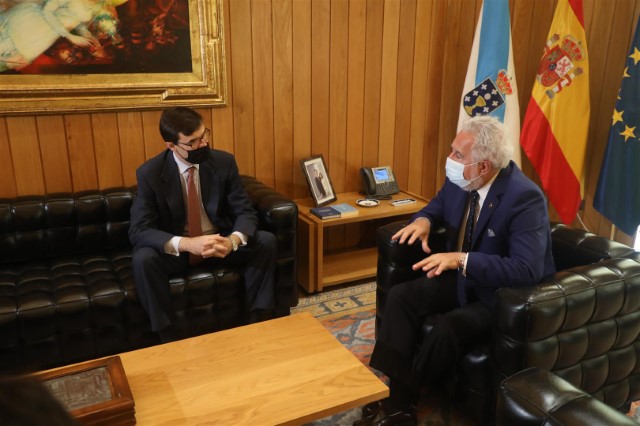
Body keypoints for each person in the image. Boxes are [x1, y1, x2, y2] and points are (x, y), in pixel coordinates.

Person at [355, 115, 555, 425]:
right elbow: (435, 206)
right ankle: (395, 398)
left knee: (448, 327)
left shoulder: (524, 198)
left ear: (484, 166)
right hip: (465, 281)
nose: (449, 160)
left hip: (501, 296)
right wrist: (423, 221)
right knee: (401, 296)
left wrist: (461, 259)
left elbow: (526, 269)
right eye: (452, 150)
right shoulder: (463, 179)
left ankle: (402, 400)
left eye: (457, 155)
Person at [129, 106, 276, 343]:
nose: (203, 144)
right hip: (180, 251)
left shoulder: (223, 162)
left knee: (266, 241)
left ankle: (259, 322)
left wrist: (233, 241)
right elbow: (139, 230)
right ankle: (166, 337)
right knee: (143, 259)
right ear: (171, 146)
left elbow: (245, 211)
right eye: (193, 142)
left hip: (219, 244)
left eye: (204, 135)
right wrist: (188, 243)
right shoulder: (150, 173)